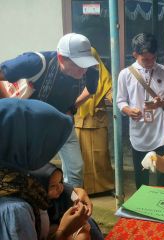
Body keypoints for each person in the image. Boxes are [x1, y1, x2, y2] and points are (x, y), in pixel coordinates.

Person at [0, 33, 100, 188]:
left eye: (86, 64)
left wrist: (72, 107)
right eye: (78, 64)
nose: (83, 70)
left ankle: (69, 203)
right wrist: (12, 104)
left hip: (62, 122)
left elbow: (91, 90)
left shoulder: (90, 70)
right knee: (31, 169)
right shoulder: (34, 62)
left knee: (76, 167)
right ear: (61, 58)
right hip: (30, 126)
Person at [0, 98, 90, 240]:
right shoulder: (16, 211)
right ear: (25, 144)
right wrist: (63, 231)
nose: (50, 151)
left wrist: (77, 191)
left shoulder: (15, 179)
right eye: (44, 141)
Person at [117, 32, 164, 189]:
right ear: (135, 54)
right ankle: (141, 201)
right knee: (140, 171)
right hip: (138, 130)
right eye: (145, 59)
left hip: (160, 129)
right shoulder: (125, 75)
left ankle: (163, 200)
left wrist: (162, 103)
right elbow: (120, 100)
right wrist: (128, 110)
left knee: (162, 171)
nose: (150, 62)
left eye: (153, 58)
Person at [74, 48, 114, 194]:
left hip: (97, 120)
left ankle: (104, 187)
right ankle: (84, 188)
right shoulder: (75, 73)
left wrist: (115, 98)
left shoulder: (102, 73)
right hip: (79, 119)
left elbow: (110, 89)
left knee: (100, 155)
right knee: (81, 155)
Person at [30, 163, 104, 239]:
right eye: (53, 186)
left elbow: (78, 197)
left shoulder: (65, 193)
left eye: (60, 181)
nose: (59, 187)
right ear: (40, 188)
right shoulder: (32, 207)